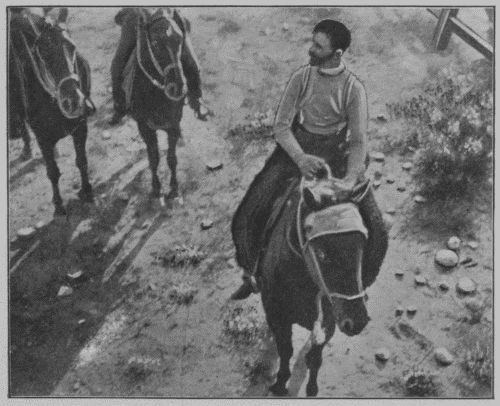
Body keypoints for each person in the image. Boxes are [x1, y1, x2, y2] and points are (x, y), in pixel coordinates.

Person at [231, 19, 388, 300]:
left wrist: (349, 180)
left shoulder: (353, 89)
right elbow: (282, 127)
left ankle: (356, 291)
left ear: (336, 54)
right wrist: (301, 158)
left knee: (376, 228)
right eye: (312, 43)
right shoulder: (302, 78)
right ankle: (252, 273)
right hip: (297, 149)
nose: (311, 50)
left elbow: (358, 139)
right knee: (250, 212)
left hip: (336, 154)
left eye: (318, 46)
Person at [109, 7, 207, 125]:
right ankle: (120, 106)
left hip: (166, 14)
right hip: (138, 17)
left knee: (190, 58)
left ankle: (196, 99)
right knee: (117, 65)